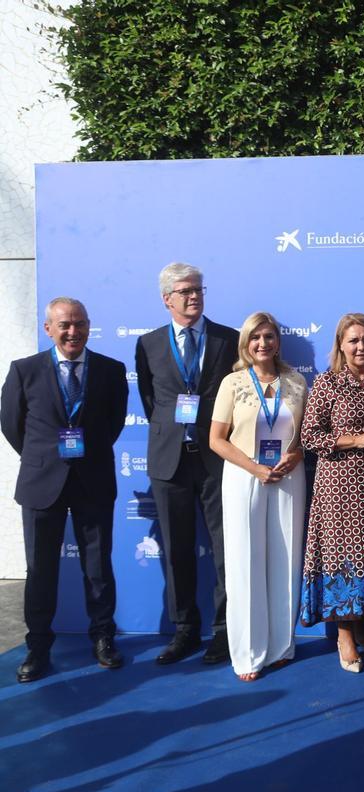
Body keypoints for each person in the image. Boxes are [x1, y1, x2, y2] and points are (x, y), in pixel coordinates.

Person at [1, 298, 127, 682]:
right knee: (41, 569)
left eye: (80, 324)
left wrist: (82, 458)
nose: (73, 332)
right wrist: (44, 459)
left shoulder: (110, 370)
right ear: (48, 329)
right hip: (42, 484)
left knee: (98, 566)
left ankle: (103, 637)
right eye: (64, 325)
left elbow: (114, 424)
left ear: (89, 326)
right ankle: (38, 646)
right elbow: (11, 424)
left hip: (93, 479)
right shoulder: (24, 371)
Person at [135, 262, 238, 665]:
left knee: (224, 550)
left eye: (198, 289)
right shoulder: (148, 344)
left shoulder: (227, 339)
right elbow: (150, 399)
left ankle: (225, 631)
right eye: (184, 291)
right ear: (167, 299)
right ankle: (184, 630)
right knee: (177, 549)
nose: (193, 296)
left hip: (216, 460)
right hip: (170, 461)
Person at [301, 312, 364, 673]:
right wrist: (356, 440)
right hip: (339, 490)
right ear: (341, 346)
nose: (361, 346)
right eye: (354, 340)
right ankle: (343, 635)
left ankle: (361, 629)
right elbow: (310, 437)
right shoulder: (327, 384)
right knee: (346, 557)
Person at [209, 312, 308, 681]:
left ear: (278, 341)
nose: (263, 343)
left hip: (287, 476)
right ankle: (249, 654)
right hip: (243, 477)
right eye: (256, 338)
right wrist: (255, 468)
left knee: (285, 558)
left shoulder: (296, 382)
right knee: (245, 563)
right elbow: (216, 439)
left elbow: (303, 437)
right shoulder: (233, 383)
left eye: (269, 336)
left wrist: (294, 456)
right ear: (246, 344)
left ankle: (282, 646)